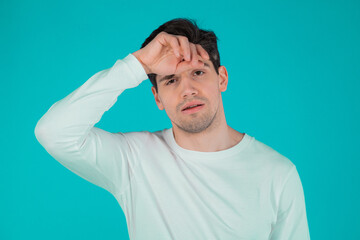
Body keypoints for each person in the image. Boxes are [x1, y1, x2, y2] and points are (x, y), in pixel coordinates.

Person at [34, 18, 310, 240]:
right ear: (157, 97)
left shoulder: (278, 174)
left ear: (222, 78)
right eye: (170, 81)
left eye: (198, 72)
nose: (187, 90)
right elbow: (53, 132)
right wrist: (137, 65)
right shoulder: (134, 159)